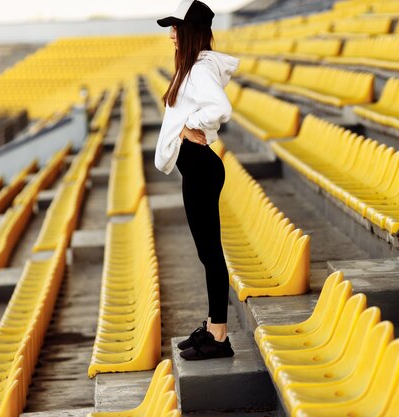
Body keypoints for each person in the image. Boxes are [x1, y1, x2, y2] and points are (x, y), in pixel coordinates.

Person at [155, 0, 239, 360]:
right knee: (207, 253)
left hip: (202, 170)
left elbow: (221, 108)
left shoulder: (199, 70)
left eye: (177, 28)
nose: (172, 34)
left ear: (191, 32)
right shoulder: (191, 69)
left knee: (210, 253)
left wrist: (192, 127)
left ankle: (219, 337)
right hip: (200, 169)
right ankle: (212, 326)